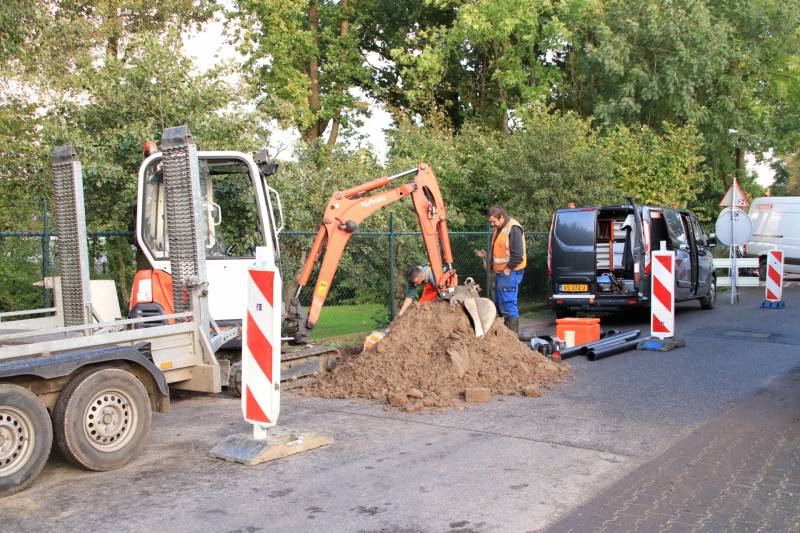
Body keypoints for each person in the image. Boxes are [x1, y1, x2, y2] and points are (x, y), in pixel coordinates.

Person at [487, 205, 526, 333]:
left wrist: (507, 270)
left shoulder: (513, 228)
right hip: (501, 273)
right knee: (499, 304)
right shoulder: (500, 227)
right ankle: (504, 337)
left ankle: (512, 338)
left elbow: (518, 255)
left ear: (501, 217)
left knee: (508, 304)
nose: (492, 224)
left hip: (510, 273)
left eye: (494, 221)